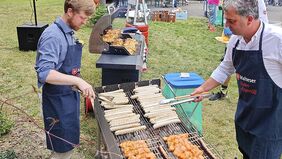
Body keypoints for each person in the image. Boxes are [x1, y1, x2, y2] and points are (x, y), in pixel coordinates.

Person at [192, 0, 282, 158]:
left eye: (231, 21)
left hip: (269, 124)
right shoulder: (235, 40)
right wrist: (203, 88)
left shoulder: (276, 40)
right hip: (245, 117)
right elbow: (225, 68)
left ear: (249, 19)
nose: (226, 26)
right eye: (226, 20)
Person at [34, 0, 96, 158]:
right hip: (57, 102)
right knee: (62, 151)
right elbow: (45, 73)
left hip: (68, 97)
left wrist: (79, 82)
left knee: (68, 146)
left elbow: (66, 67)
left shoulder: (68, 32)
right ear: (70, 12)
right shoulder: (53, 36)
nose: (84, 22)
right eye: (82, 18)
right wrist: (78, 81)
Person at [209, 0, 269, 101]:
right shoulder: (234, 39)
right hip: (237, 37)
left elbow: (261, 22)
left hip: (255, 42)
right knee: (228, 63)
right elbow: (225, 68)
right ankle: (223, 91)